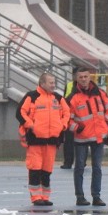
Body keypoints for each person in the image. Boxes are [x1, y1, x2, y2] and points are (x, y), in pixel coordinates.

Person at [16, 71, 70, 206]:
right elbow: (20, 113)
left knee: (47, 170)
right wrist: (31, 125)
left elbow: (67, 113)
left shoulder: (58, 98)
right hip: (35, 140)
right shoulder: (31, 96)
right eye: (51, 83)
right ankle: (36, 198)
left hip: (52, 141)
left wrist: (62, 126)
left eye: (54, 83)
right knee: (35, 169)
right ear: (42, 83)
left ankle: (45, 197)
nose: (53, 85)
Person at [66, 66, 108, 206]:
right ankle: (80, 197)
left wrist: (107, 120)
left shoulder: (99, 93)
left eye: (85, 76)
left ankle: (96, 196)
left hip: (98, 136)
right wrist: (76, 127)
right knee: (79, 168)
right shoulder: (73, 98)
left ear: (90, 77)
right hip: (81, 138)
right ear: (76, 78)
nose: (83, 79)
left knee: (97, 168)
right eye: (80, 77)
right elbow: (65, 118)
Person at [59, 67, 78, 169]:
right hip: (70, 118)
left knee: (80, 142)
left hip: (81, 118)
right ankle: (68, 162)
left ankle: (81, 162)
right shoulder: (69, 85)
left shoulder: (85, 86)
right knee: (68, 141)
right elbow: (65, 101)